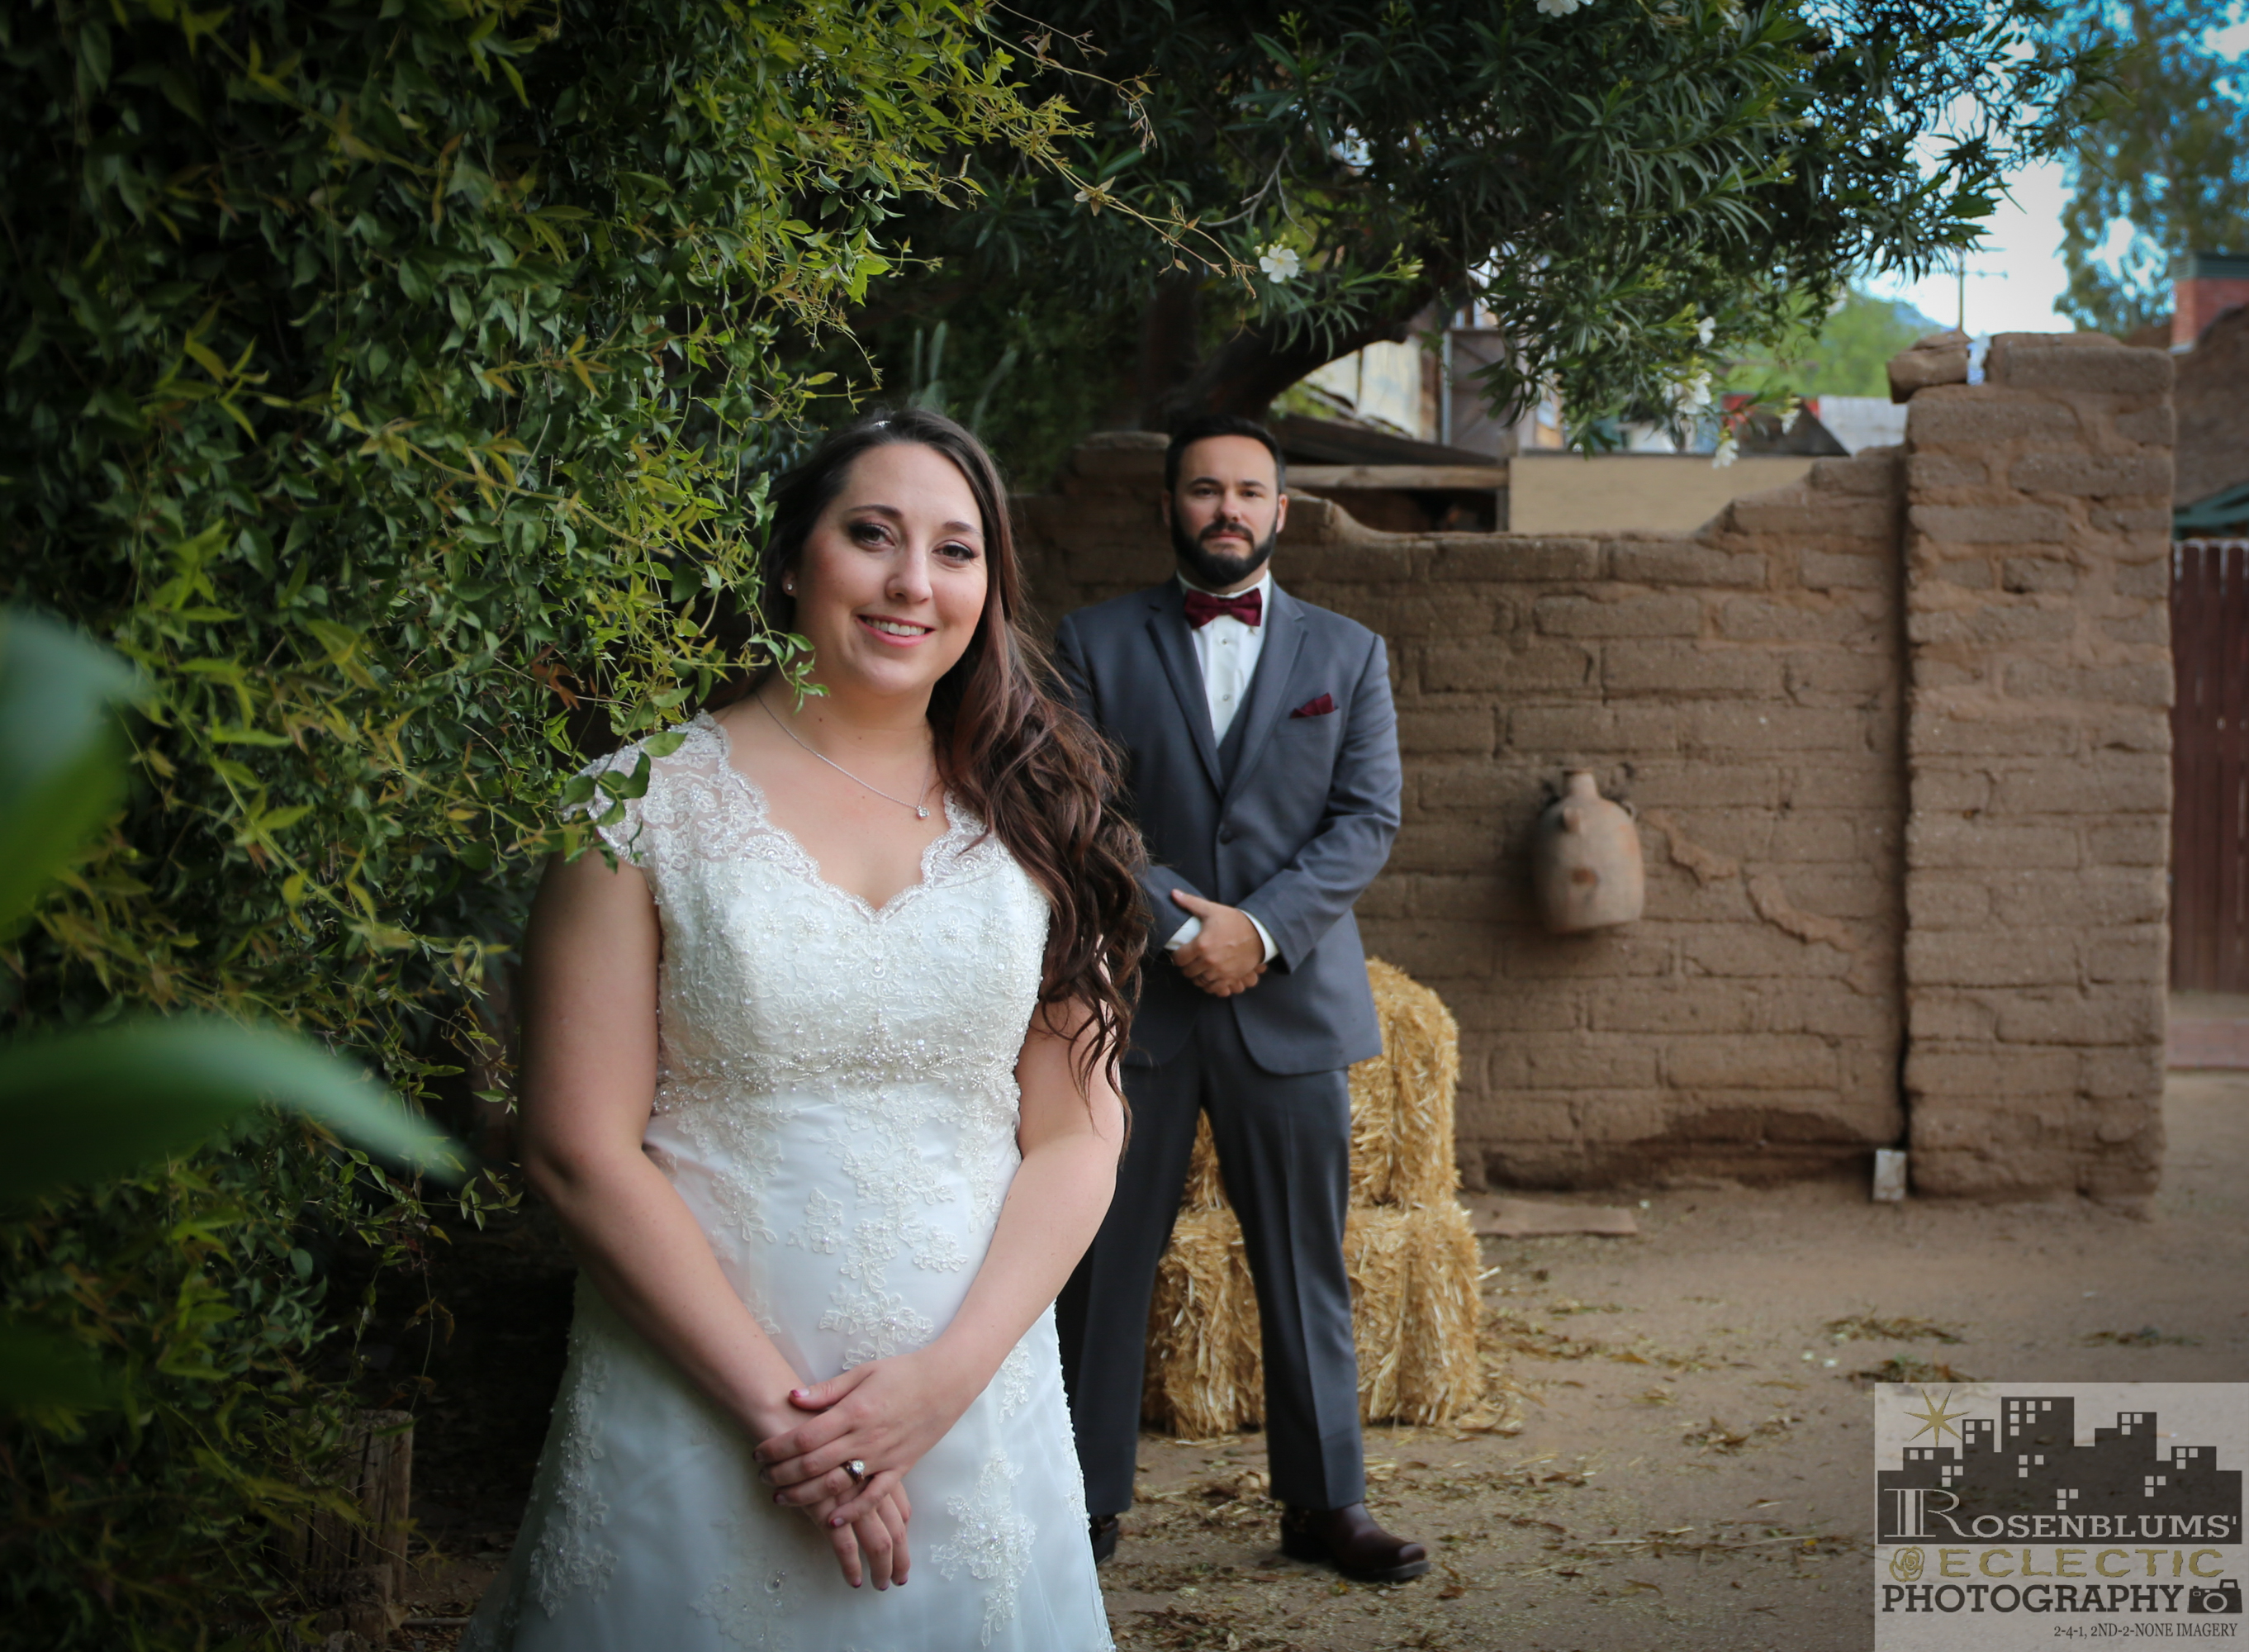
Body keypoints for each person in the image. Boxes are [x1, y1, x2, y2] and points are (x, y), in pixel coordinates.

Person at [465, 409, 1144, 1651]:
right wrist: (790, 1424)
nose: (912, 582)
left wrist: (939, 1389)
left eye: (956, 550)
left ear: (990, 589)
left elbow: (1079, 1136)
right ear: (790, 561)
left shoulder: (1041, 818)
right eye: (872, 535)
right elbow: (576, 1149)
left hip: (971, 1405)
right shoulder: (639, 808)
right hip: (697, 1397)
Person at [1051, 413, 1425, 1583]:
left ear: (1281, 510)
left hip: (1292, 1005)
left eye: (1249, 491)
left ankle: (1325, 1504)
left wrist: (1257, 932)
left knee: (1306, 1266)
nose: (1227, 508)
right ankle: (1082, 1501)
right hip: (1137, 1007)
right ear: (1170, 504)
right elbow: (1076, 810)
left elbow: (1365, 820)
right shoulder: (1091, 642)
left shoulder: (1349, 653)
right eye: (1205, 488)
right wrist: (1181, 926)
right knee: (1103, 1260)